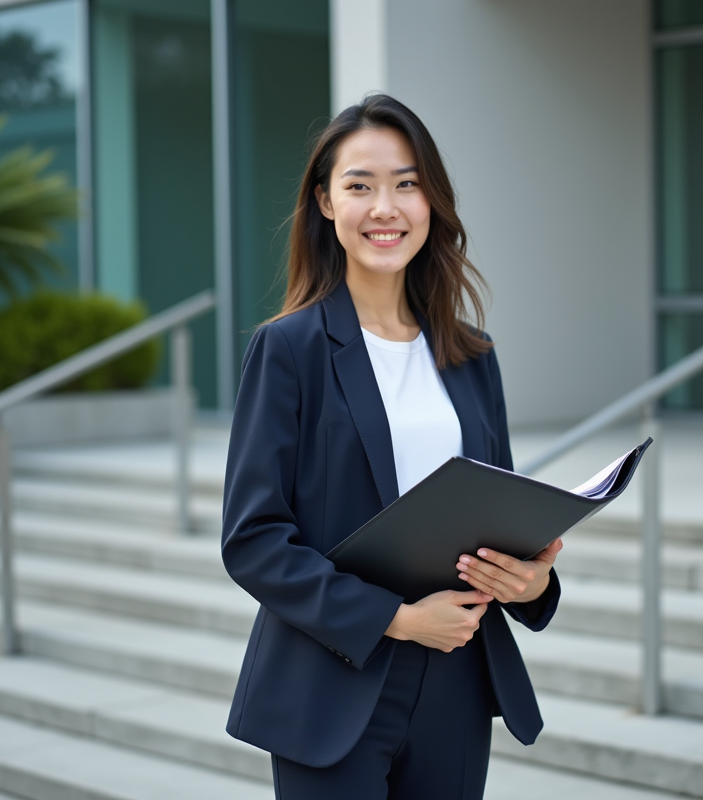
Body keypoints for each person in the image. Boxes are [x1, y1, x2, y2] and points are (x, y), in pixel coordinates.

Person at [221, 93, 564, 800]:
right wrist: (398, 620)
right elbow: (253, 539)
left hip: (458, 676)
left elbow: (498, 508)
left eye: (407, 184)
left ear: (431, 201)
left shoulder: (471, 354)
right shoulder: (288, 349)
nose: (386, 208)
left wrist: (531, 582)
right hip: (331, 680)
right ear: (325, 203)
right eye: (360, 186)